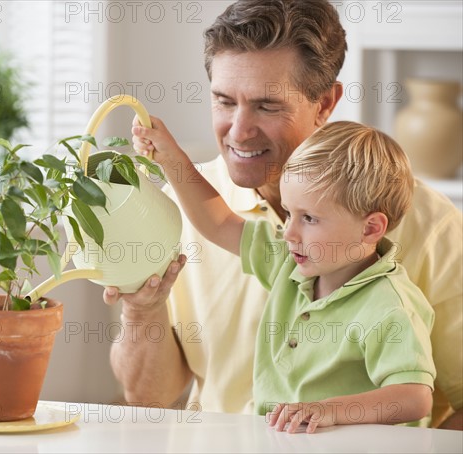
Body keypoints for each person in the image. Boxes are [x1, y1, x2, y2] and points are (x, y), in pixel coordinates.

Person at [103, 0, 462, 430]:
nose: (238, 131)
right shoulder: (185, 205)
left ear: (325, 102)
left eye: (267, 106)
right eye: (223, 101)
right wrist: (142, 311)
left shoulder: (430, 228)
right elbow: (148, 399)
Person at [132, 119, 436, 433]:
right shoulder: (289, 262)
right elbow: (219, 222)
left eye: (309, 218)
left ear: (371, 228)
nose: (289, 232)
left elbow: (414, 397)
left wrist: (328, 411)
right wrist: (170, 157)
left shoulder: (390, 307)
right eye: (290, 213)